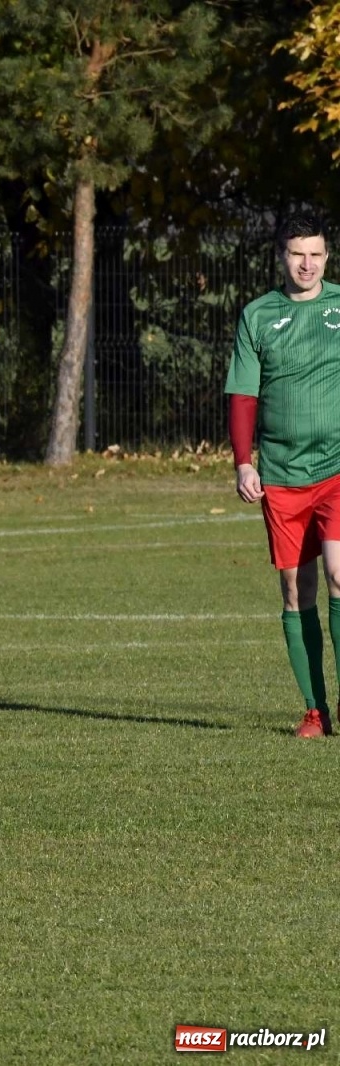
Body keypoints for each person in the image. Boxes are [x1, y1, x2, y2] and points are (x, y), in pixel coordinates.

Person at [226, 213, 340, 739]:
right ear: (282, 257)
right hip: (282, 476)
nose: (307, 263)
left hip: (337, 469)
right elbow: (244, 394)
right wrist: (244, 461)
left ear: (327, 256)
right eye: (298, 254)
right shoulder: (257, 315)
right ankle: (316, 710)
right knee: (299, 592)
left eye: (316, 253)